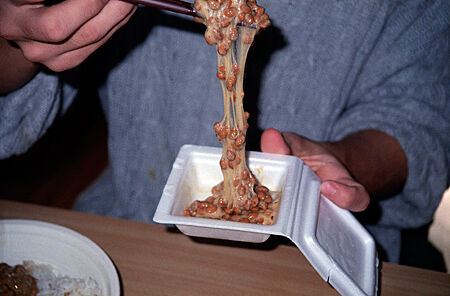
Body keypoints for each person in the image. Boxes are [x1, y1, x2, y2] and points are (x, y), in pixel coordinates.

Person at [0, 0, 448, 263]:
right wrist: (18, 30)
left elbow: (420, 121)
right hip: (128, 225)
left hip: (309, 255)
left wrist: (342, 163)